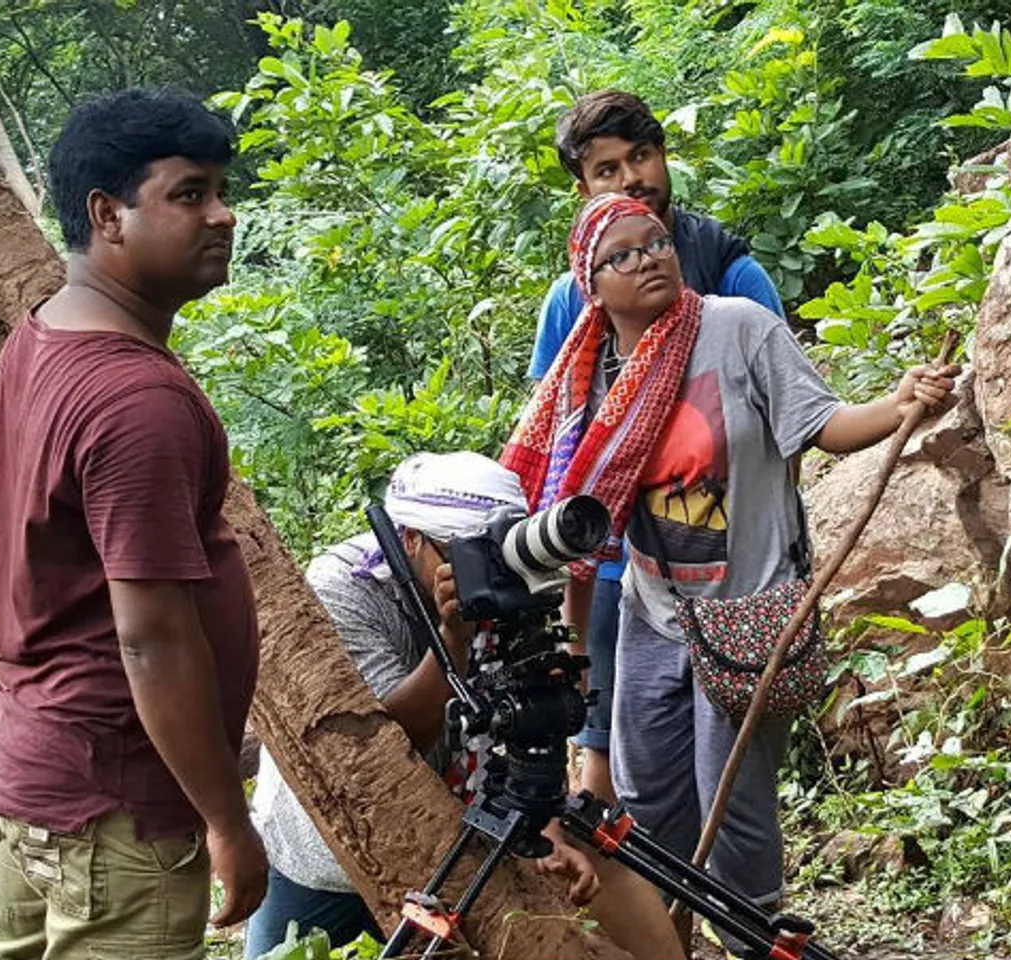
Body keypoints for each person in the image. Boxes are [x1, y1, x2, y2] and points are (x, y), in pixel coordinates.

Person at [503, 192, 958, 953]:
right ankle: (671, 940)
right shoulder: (586, 386)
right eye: (622, 254)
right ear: (591, 285)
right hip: (655, 617)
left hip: (750, 617)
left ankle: (756, 942)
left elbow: (825, 427)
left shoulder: (737, 330)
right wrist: (576, 652)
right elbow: (579, 533)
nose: (647, 257)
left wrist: (900, 402)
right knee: (649, 807)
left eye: (655, 243)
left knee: (735, 810)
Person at [0, 89, 265, 959]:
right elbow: (150, 639)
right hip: (116, 807)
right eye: (188, 194)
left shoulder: (45, 334)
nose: (222, 216)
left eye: (222, 190)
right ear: (108, 214)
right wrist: (226, 820)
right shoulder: (135, 399)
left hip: (33, 769)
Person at [244, 452, 684, 960]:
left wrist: (544, 828)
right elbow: (379, 749)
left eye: (498, 550)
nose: (492, 570)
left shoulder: (517, 580)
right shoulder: (346, 590)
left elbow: (534, 711)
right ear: (411, 539)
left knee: (596, 881)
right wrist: (452, 644)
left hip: (469, 830)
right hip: (335, 843)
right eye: (463, 551)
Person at [529, 89, 786, 804]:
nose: (631, 178)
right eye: (606, 170)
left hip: (723, 570)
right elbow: (557, 428)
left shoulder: (730, 275)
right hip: (609, 567)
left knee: (726, 776)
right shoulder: (568, 299)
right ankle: (643, 907)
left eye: (641, 156)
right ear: (582, 190)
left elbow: (786, 419)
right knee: (607, 761)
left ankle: (724, 904)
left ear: (664, 157)